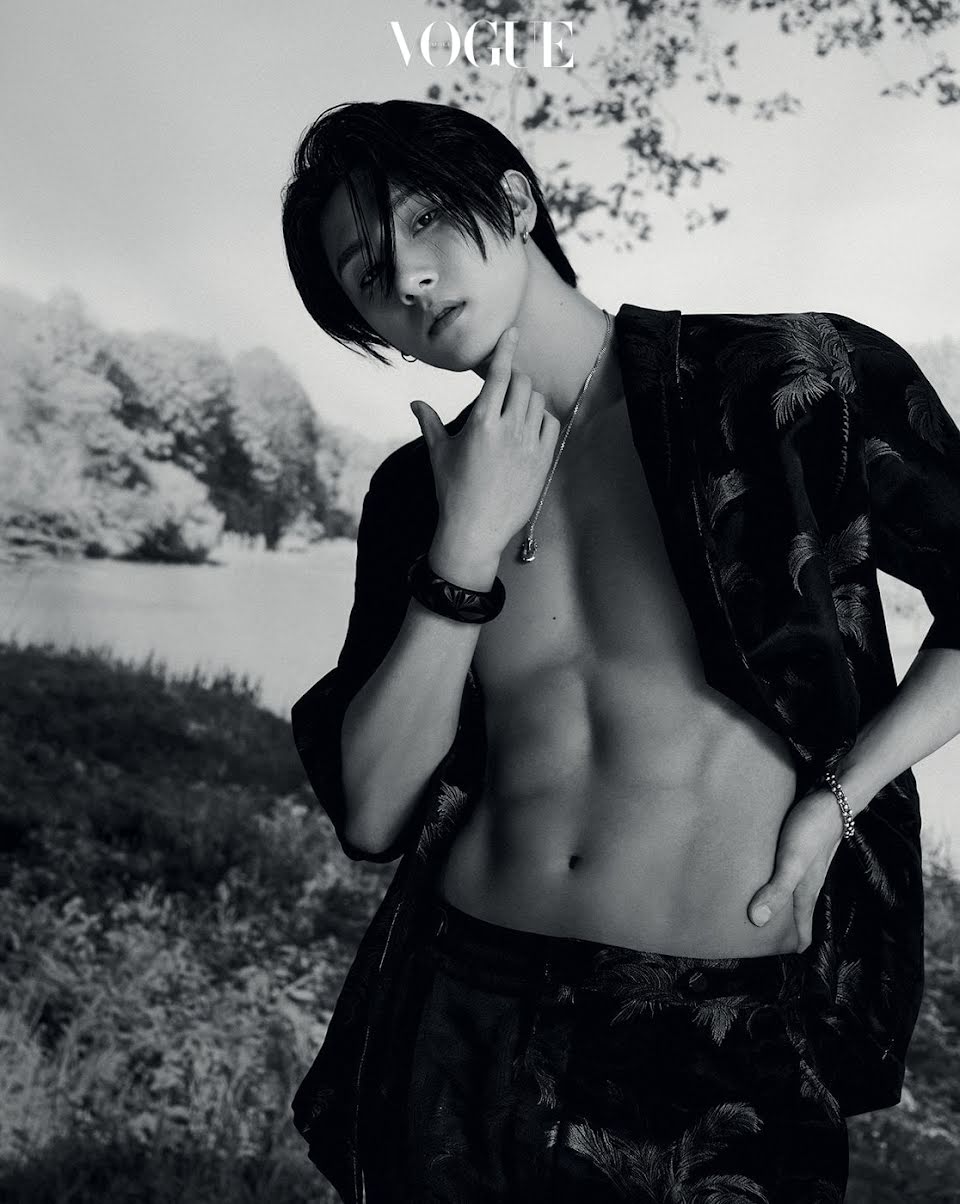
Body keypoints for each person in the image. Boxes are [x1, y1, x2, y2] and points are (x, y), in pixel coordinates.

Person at [280, 99, 960, 1203]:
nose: (407, 274)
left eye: (425, 219)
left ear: (516, 200)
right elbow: (372, 812)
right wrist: (463, 548)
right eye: (366, 271)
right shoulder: (417, 493)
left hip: (717, 1024)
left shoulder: (787, 379)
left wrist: (843, 795)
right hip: (464, 1004)